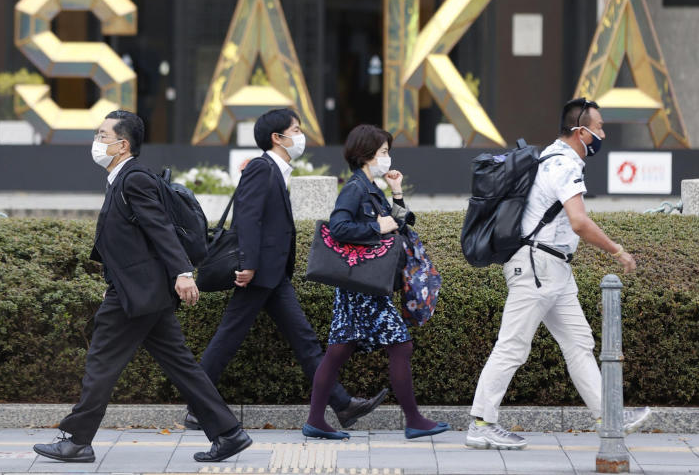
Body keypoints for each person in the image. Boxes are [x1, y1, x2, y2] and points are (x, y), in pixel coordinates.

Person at [33, 110, 251, 464]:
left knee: (101, 361)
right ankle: (228, 433)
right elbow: (131, 242)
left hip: (138, 294)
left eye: (102, 135)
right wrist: (115, 281)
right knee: (181, 365)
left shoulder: (134, 178)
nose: (96, 141)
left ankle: (76, 439)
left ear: (123, 144)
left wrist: (183, 272)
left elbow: (160, 228)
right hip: (142, 291)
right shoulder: (121, 178)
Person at [466, 98, 651, 450]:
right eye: (598, 128)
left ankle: (608, 416)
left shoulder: (551, 155)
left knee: (579, 343)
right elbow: (579, 222)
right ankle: (481, 423)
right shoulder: (566, 165)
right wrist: (617, 250)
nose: (602, 134)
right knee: (512, 347)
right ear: (581, 132)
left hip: (553, 269)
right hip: (538, 267)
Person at [187, 109, 387, 432]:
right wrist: (248, 264)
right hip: (258, 274)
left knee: (304, 340)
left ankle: (342, 405)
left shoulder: (273, 170)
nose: (300, 135)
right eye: (295, 129)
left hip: (273, 275)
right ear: (276, 138)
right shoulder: (262, 169)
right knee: (228, 339)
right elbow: (248, 219)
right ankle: (197, 406)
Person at [304, 125, 449, 440]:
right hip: (363, 287)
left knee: (339, 351)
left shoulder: (369, 187)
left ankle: (316, 420)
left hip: (360, 285)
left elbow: (396, 225)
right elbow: (339, 227)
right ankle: (413, 420)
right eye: (383, 152)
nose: (388, 158)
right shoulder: (354, 188)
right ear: (366, 154)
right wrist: (375, 226)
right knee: (400, 345)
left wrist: (396, 193)